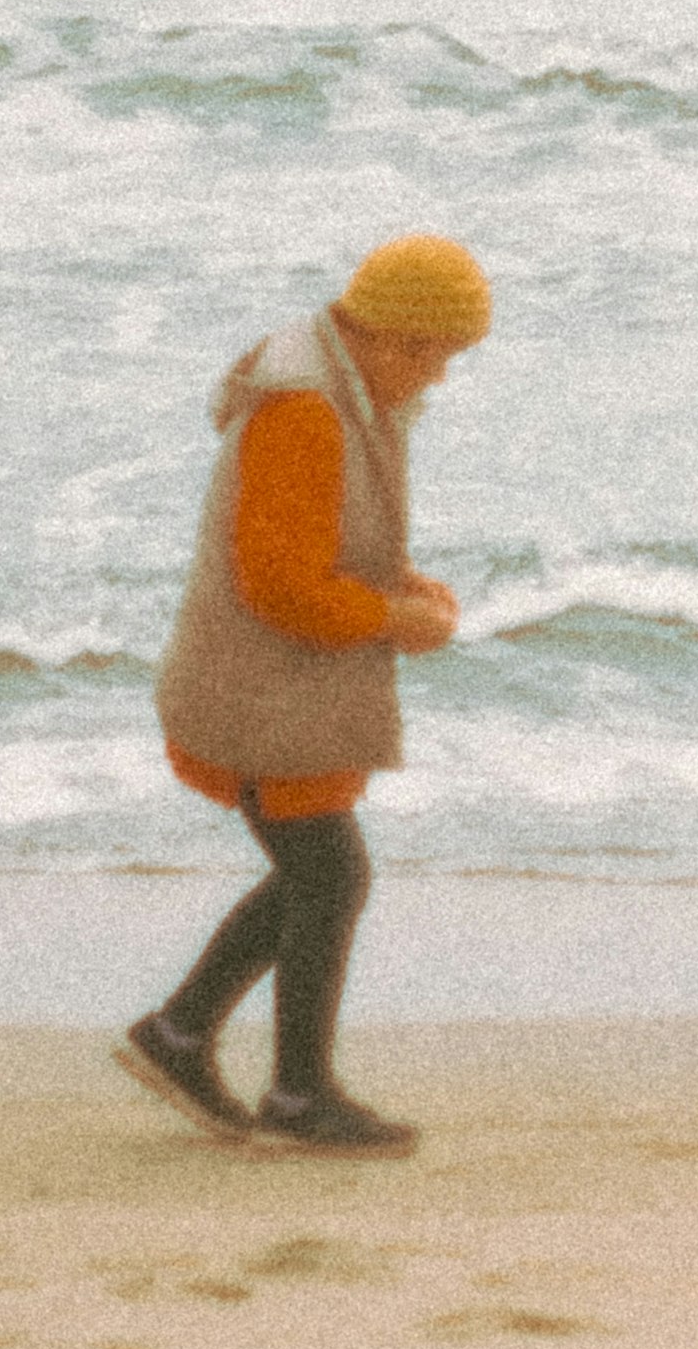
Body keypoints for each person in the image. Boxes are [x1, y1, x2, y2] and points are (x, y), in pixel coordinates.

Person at [113, 233, 491, 1155]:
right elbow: (280, 587)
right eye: (437, 354)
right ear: (394, 336)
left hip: (273, 686)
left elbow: (329, 536)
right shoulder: (306, 412)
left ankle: (181, 1036)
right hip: (259, 690)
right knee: (330, 872)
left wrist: (401, 581)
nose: (439, 377)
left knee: (317, 871)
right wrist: (397, 619)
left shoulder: (341, 393)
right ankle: (291, 1094)